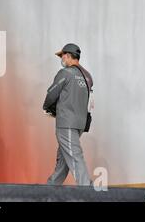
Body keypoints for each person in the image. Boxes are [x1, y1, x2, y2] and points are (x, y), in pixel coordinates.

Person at [43, 43, 93, 186]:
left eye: (62, 56)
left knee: (74, 156)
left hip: (67, 122)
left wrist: (47, 107)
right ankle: (50, 189)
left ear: (68, 55)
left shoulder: (65, 73)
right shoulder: (88, 76)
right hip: (80, 123)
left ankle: (87, 191)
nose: (62, 58)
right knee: (64, 158)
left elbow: (51, 93)